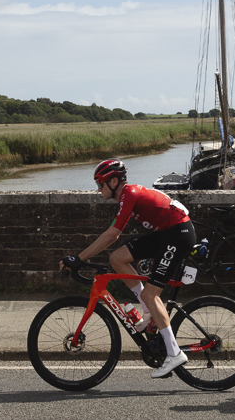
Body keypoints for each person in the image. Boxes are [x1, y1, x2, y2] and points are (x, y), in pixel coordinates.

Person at [59, 159, 196, 378]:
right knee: (118, 258)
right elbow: (115, 240)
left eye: (100, 184)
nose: (98, 189)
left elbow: (112, 234)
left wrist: (79, 257)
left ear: (114, 181)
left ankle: (174, 352)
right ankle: (148, 310)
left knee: (153, 294)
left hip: (178, 234)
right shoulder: (127, 195)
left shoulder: (129, 194)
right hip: (167, 233)